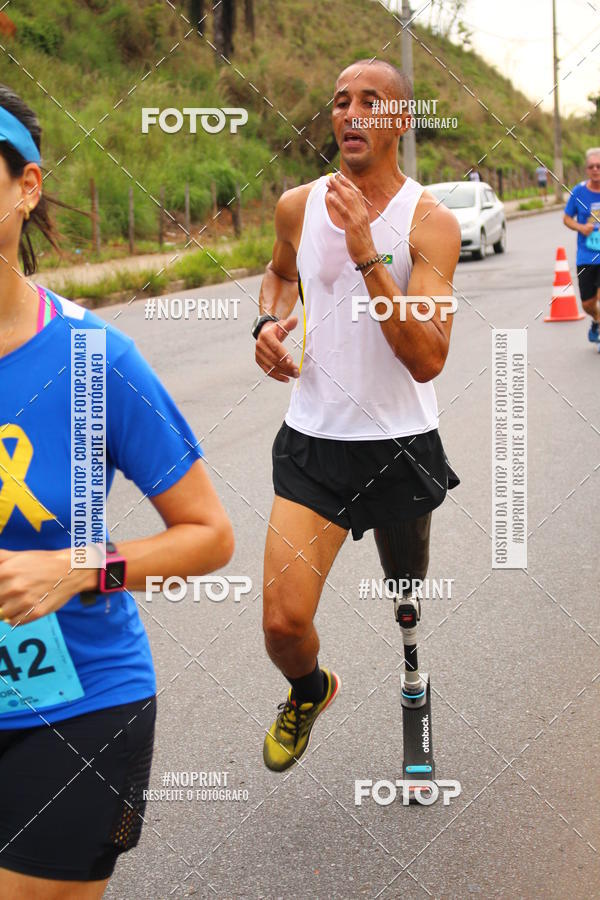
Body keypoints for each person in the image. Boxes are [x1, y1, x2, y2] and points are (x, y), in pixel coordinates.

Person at [0, 85, 234, 897]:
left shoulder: (96, 358)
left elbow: (208, 535)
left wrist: (76, 568)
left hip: (76, 708)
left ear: (26, 188)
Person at [253, 59, 460, 773]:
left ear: (401, 121)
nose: (351, 113)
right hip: (314, 443)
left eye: (372, 101)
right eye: (341, 101)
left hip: (401, 446)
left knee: (405, 595)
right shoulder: (297, 205)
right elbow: (280, 276)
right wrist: (266, 327)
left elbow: (428, 357)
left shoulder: (431, 222)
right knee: (283, 622)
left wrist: (368, 252)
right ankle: (310, 691)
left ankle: (410, 668)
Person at [563, 147, 600, 344]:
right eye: (591, 166)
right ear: (587, 169)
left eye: (599, 166)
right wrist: (580, 227)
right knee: (587, 303)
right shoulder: (578, 191)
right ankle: (596, 319)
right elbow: (566, 218)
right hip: (586, 255)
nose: (595, 170)